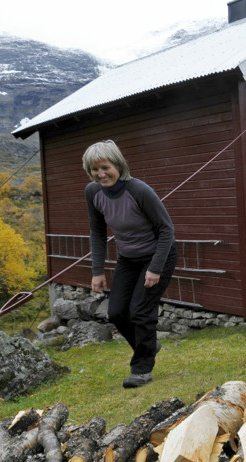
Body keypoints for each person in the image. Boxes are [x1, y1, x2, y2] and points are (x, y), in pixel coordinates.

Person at [83, 140, 177, 389]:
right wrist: (97, 271)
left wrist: (155, 268)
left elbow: (167, 230)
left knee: (140, 312)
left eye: (105, 167)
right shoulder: (93, 193)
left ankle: (142, 370)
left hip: (159, 255)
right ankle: (148, 346)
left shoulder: (139, 190)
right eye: (95, 169)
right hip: (128, 258)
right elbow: (98, 233)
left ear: (118, 165)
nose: (101, 174)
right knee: (115, 312)